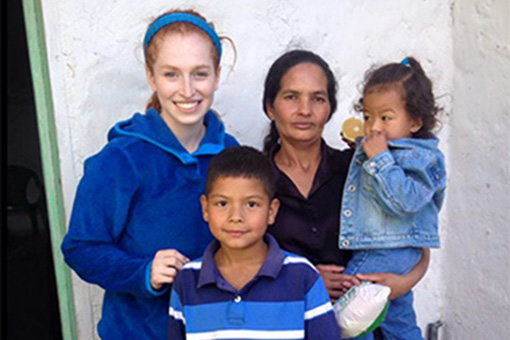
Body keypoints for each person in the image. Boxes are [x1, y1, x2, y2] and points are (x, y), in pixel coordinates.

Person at [61, 9, 238, 340]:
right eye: (171, 74)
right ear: (151, 77)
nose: (187, 90)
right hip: (140, 332)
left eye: (199, 74)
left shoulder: (231, 154)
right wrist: (144, 271)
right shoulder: (120, 160)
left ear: (216, 74)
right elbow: (81, 248)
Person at [261, 50, 431, 339]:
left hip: (368, 327)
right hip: (288, 327)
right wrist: (306, 280)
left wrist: (402, 284)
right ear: (270, 108)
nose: (305, 110)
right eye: (291, 97)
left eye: (317, 98)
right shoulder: (255, 182)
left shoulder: (361, 170)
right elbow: (237, 263)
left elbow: (414, 240)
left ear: (330, 108)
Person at [168, 146, 342, 340]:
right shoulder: (188, 280)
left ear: (271, 211)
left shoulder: (302, 276)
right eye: (222, 203)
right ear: (205, 208)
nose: (236, 217)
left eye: (251, 204)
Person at [338, 56, 446, 340]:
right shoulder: (391, 150)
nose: (373, 127)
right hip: (390, 250)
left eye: (386, 117)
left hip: (387, 251)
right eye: (367, 117)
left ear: (415, 121)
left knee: (350, 311)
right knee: (398, 320)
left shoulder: (420, 157)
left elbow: (408, 200)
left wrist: (381, 160)